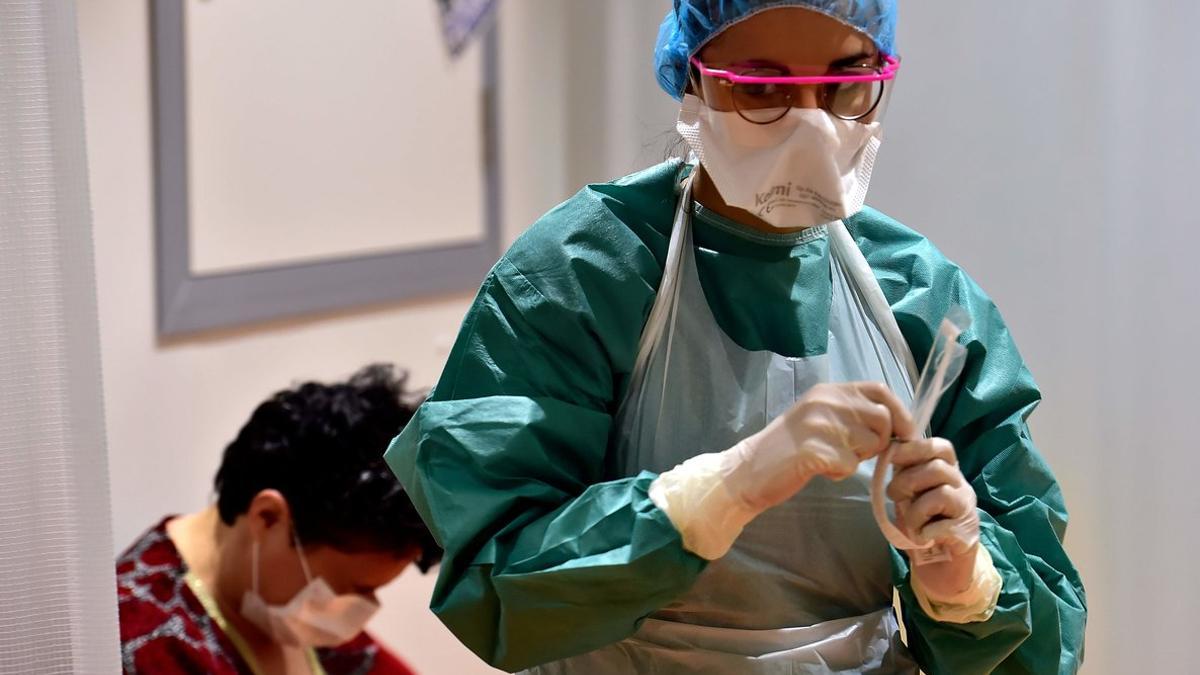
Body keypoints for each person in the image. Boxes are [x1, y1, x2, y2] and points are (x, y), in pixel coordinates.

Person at [387, 2, 1086, 673]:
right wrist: (722, 490)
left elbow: (1040, 642)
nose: (812, 125)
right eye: (761, 87)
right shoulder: (584, 275)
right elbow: (496, 579)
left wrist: (965, 582)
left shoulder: (921, 299)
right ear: (692, 76)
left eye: (848, 85)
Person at [117, 364, 441, 675]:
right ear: (267, 518)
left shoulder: (283, 602)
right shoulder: (137, 640)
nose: (358, 613)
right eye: (351, 589)